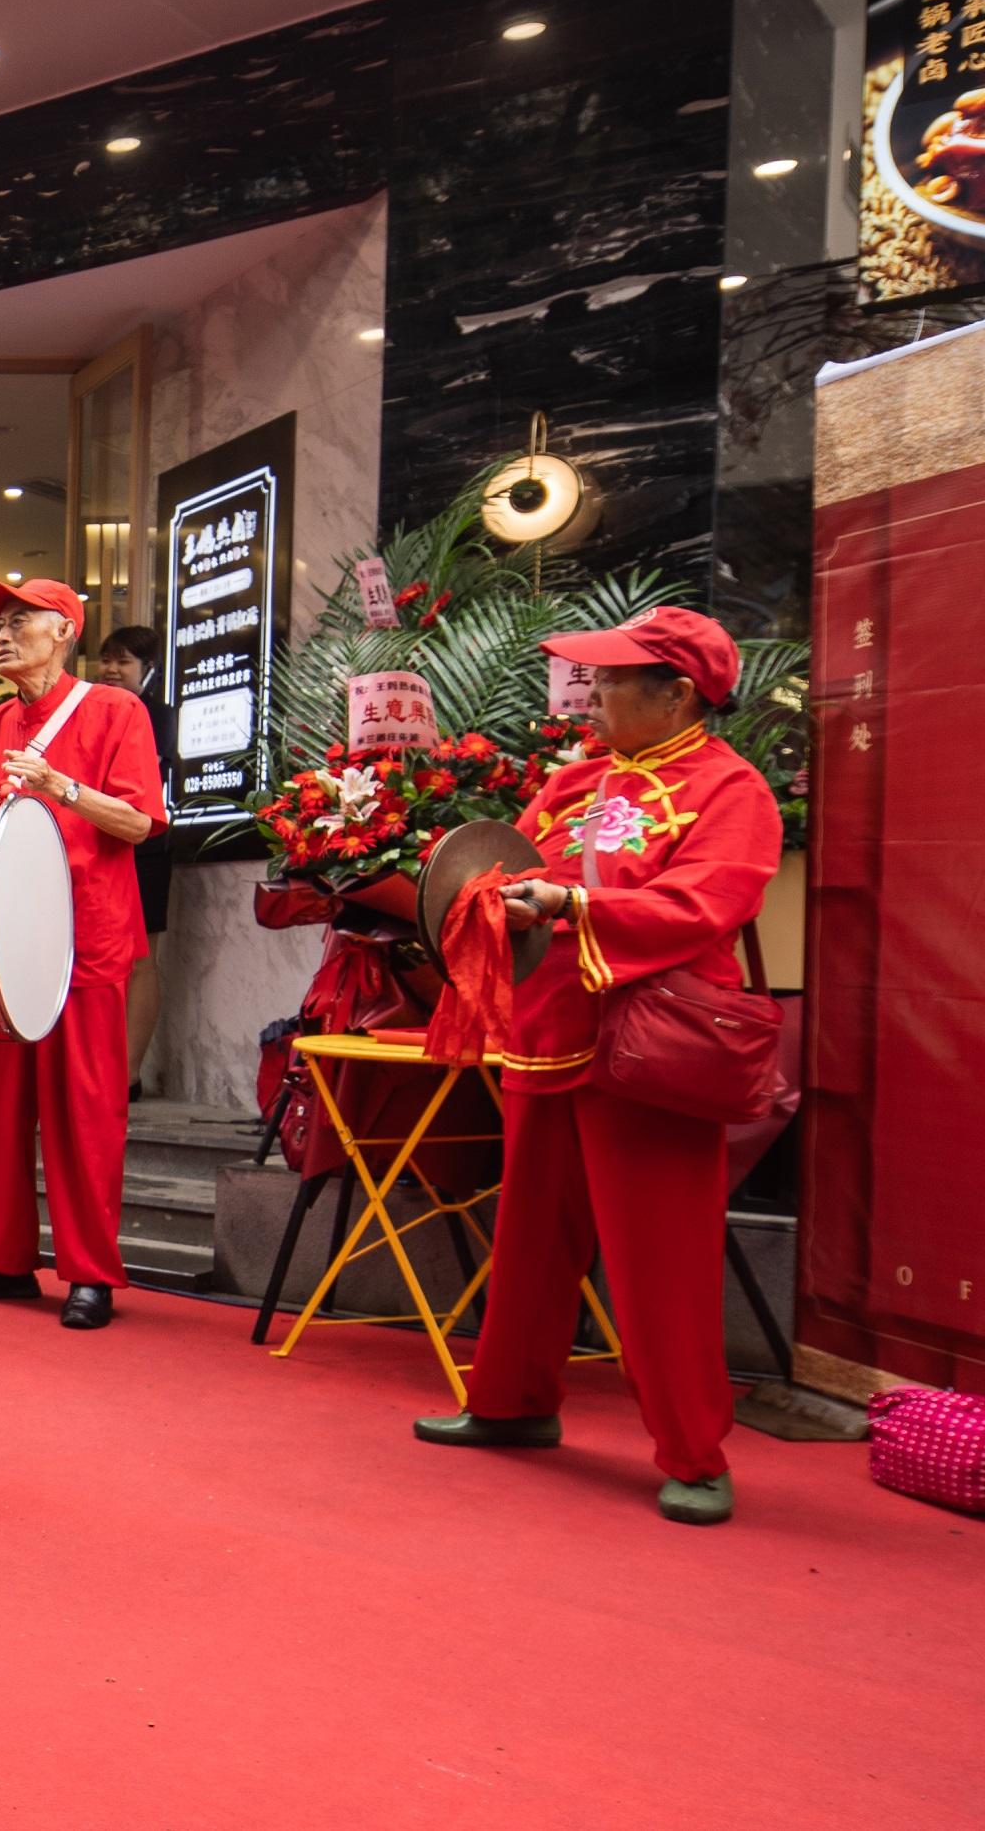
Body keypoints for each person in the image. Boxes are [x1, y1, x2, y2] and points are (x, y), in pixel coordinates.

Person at [416, 605, 780, 1524]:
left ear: (680, 694)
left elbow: (706, 904)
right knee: (532, 1236)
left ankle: (695, 1455)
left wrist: (574, 906)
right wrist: (484, 893)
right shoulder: (576, 780)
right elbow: (513, 872)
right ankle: (511, 1403)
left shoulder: (731, 791)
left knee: (661, 1257)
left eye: (614, 678)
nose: (593, 691)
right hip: (548, 1029)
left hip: (650, 1046)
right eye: (597, 674)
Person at [0, 579, 164, 1331]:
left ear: (64, 629)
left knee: (85, 1107)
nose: (3, 635)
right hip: (2, 941)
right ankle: (0, 1261)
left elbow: (138, 822)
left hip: (86, 935)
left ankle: (90, 1273)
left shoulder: (115, 710)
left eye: (19, 621)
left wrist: (61, 786)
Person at [90, 625, 177, 1095]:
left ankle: (129, 1074)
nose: (110, 670)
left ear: (148, 669)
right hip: (91, 848)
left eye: (123, 662)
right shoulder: (86, 711)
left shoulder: (160, 716)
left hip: (145, 849)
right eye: (106, 660)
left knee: (142, 959)